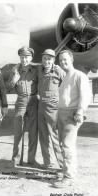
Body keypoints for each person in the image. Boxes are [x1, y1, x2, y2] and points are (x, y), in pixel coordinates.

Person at [53, 50, 91, 188]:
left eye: (65, 59)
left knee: (68, 145)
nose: (63, 62)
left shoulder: (79, 75)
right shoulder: (65, 77)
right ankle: (68, 170)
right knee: (64, 145)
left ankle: (69, 177)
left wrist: (80, 111)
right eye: (61, 60)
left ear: (72, 59)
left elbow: (85, 95)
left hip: (72, 114)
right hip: (62, 114)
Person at [7, 46, 39, 167]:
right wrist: (14, 79)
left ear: (31, 57)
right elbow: (9, 87)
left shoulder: (36, 70)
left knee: (33, 132)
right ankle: (16, 159)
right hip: (20, 101)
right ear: (19, 57)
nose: (24, 59)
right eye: (22, 57)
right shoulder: (14, 70)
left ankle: (31, 160)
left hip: (33, 101)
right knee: (18, 131)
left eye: (27, 57)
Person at [38, 49, 65, 169]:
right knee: (43, 136)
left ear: (53, 60)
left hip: (53, 108)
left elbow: (67, 86)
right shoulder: (39, 70)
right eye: (45, 58)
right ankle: (48, 162)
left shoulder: (59, 71)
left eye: (49, 59)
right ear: (42, 59)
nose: (47, 61)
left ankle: (62, 165)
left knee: (55, 137)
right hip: (41, 107)